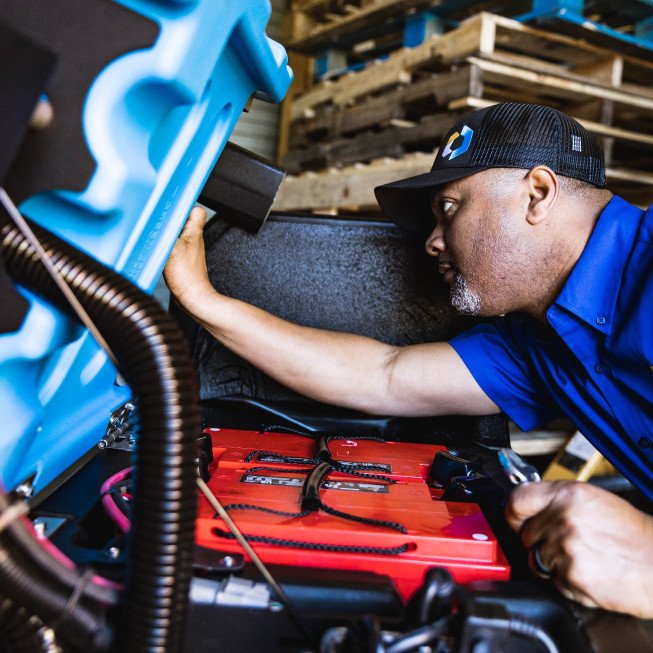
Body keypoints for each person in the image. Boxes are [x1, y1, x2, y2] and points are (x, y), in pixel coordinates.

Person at [164, 102, 653, 619]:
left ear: (537, 193)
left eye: (449, 209)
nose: (432, 241)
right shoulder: (537, 342)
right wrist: (203, 301)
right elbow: (384, 375)